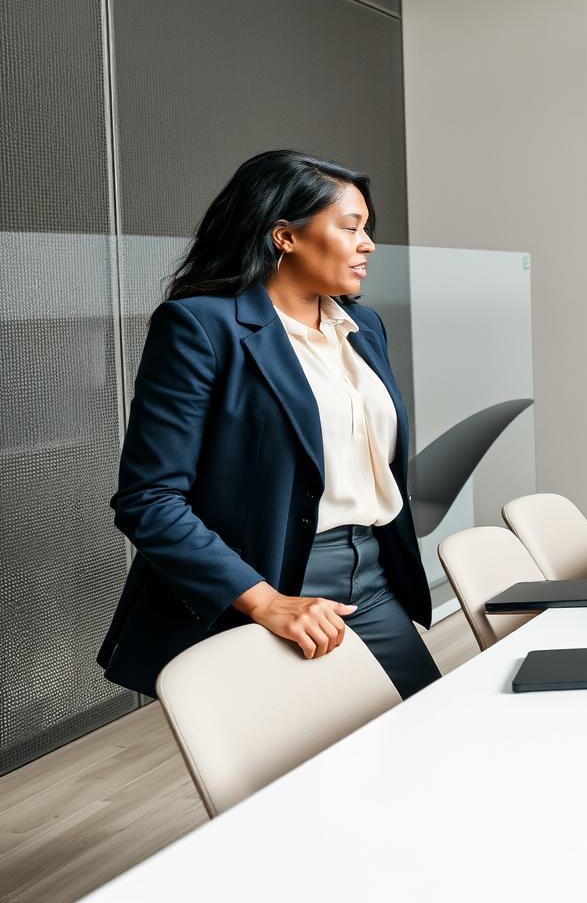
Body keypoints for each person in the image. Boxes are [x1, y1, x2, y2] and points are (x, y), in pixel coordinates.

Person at [100, 151, 440, 699]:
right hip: (269, 590)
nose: (368, 243)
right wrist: (266, 601)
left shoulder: (363, 325)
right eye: (351, 227)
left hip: (371, 578)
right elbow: (149, 498)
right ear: (285, 236)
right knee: (306, 775)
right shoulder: (201, 327)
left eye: (367, 229)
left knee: (430, 734)